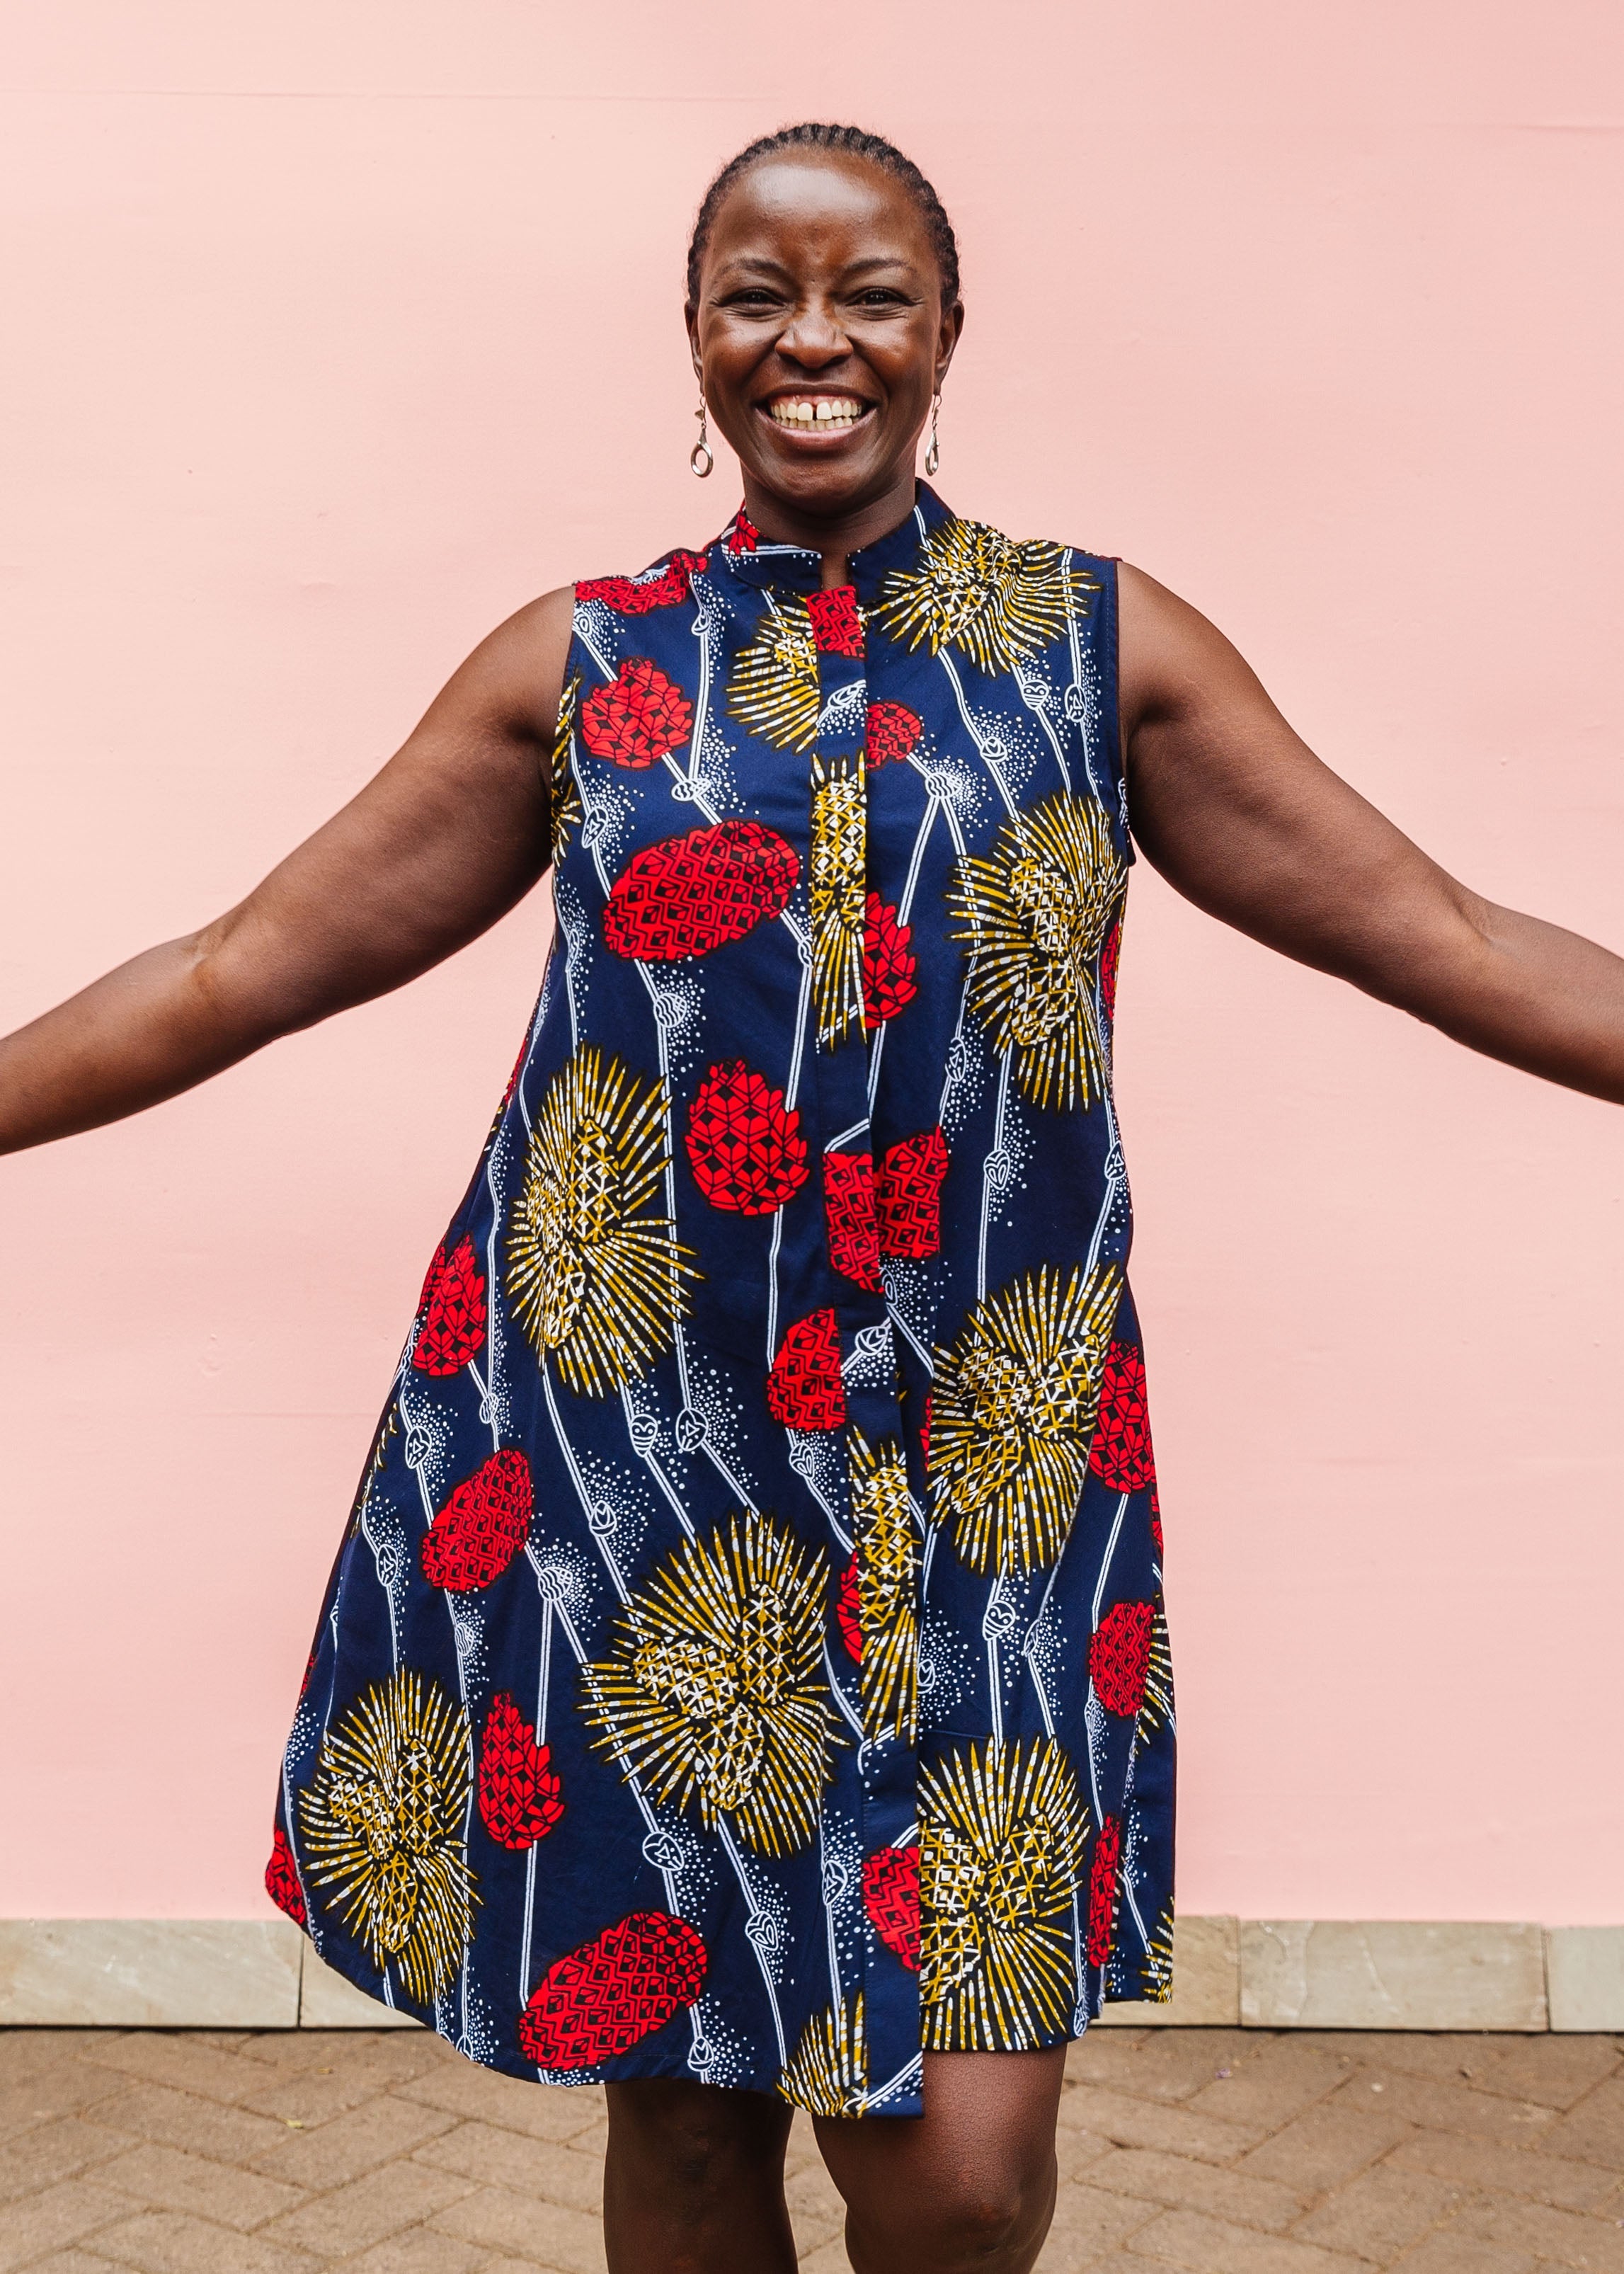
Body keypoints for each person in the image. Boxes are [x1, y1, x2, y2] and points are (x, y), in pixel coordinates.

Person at [3, 118, 1621, 2274]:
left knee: (957, 2175)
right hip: (645, 1482)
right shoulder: (576, 670)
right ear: (692, 341)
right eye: (758, 294)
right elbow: (231, 974)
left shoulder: (1095, 649)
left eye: (869, 290)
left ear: (948, 327)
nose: (813, 338)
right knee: (685, 2126)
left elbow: (1449, 929)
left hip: (994, 1487)